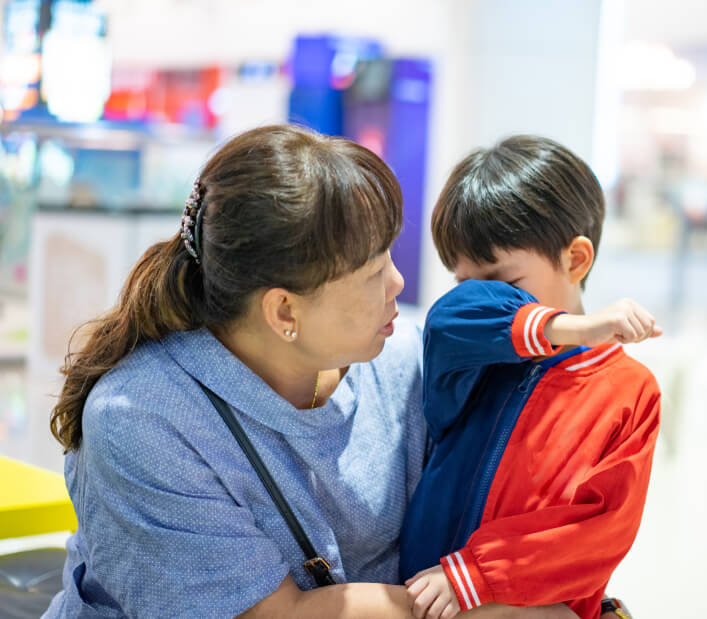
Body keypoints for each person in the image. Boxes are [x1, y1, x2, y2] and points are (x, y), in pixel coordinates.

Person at [43, 125, 575, 619]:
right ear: (284, 312)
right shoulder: (145, 421)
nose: (397, 283)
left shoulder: (405, 360)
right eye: (371, 272)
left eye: (390, 255)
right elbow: (275, 615)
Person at [399, 136, 662, 619]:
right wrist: (578, 327)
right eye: (466, 281)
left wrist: (477, 575)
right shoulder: (468, 352)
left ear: (576, 259)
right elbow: (454, 315)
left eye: (504, 283)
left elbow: (601, 530)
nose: (485, 296)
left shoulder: (630, 391)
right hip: (424, 600)